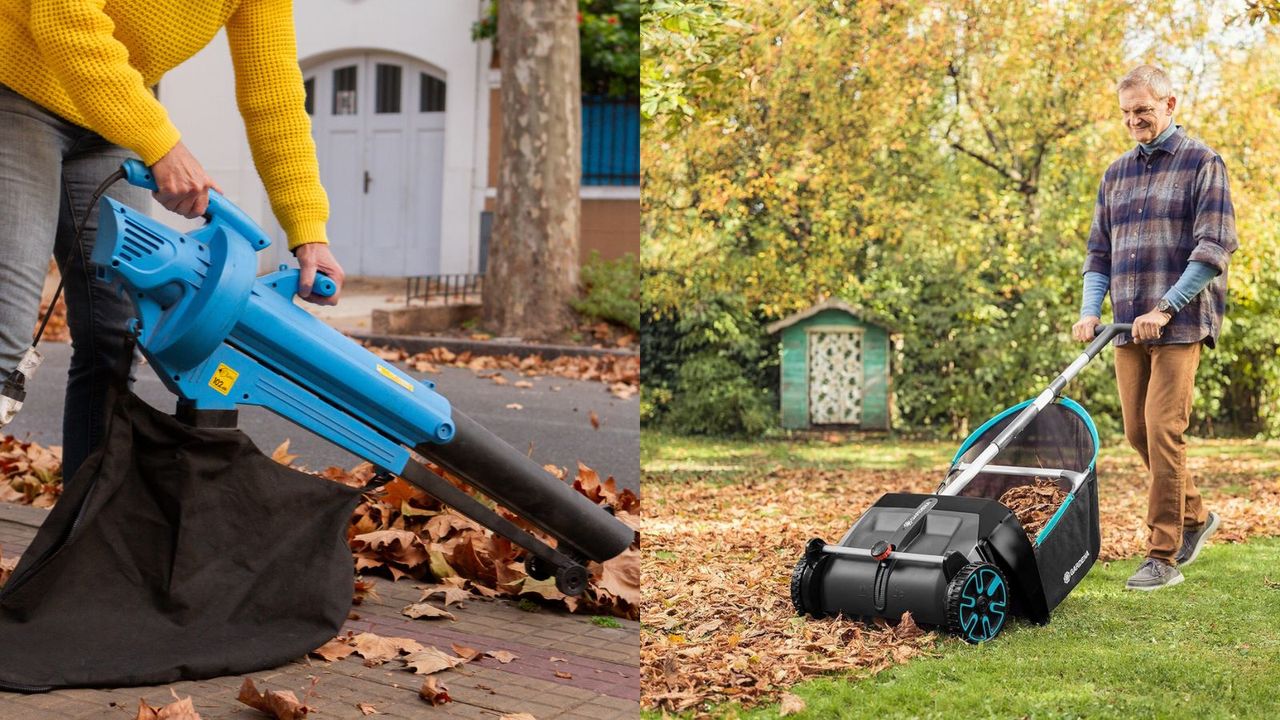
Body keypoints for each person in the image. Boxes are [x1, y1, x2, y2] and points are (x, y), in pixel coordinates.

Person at [0, 0, 344, 482]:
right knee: (5, 332)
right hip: (14, 88)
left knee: (114, 338)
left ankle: (83, 538)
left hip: (107, 122)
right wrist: (164, 146)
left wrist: (309, 232)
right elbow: (64, 17)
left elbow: (275, 96)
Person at [1072, 64, 1236, 591]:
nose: (1134, 120)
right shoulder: (1115, 174)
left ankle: (1162, 554)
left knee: (1164, 429)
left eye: (1143, 110)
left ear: (1170, 105)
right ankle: (1194, 514)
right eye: (1126, 113)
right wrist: (1089, 310)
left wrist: (1165, 307)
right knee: (1138, 432)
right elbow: (1099, 253)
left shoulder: (1202, 163)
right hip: (1126, 325)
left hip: (1180, 322)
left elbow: (1213, 250)